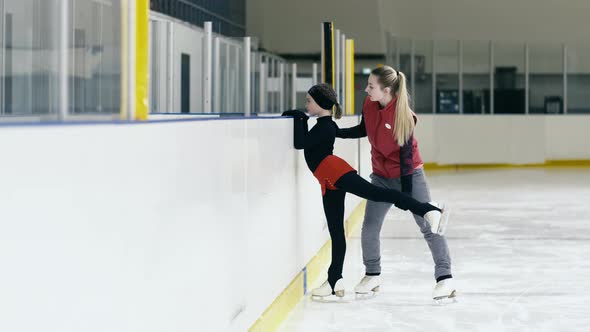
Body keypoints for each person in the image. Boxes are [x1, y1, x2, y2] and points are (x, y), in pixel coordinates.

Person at [282, 83, 448, 298]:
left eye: (309, 101)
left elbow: (300, 143)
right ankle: (335, 280)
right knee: (336, 230)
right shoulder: (325, 125)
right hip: (326, 178)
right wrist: (300, 117)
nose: (306, 105)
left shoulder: (325, 127)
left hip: (335, 172)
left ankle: (427, 209)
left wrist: (298, 117)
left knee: (377, 193)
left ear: (321, 104)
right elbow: (305, 142)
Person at [336, 65, 456, 301]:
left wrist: (408, 197)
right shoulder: (369, 104)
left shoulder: (403, 116)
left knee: (428, 226)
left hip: (408, 175)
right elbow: (364, 129)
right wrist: (336, 132)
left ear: (387, 90)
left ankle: (445, 279)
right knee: (370, 227)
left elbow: (406, 158)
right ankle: (373, 274)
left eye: (371, 86)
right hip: (380, 177)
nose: (366, 89)